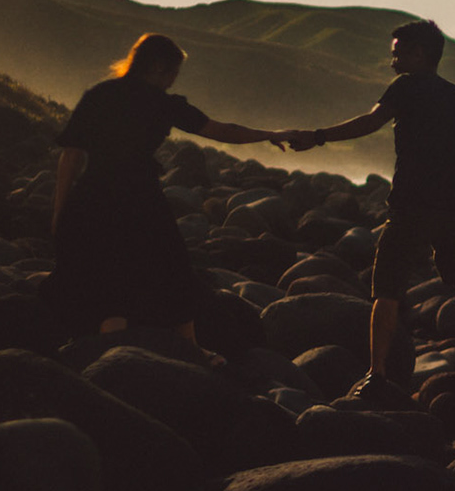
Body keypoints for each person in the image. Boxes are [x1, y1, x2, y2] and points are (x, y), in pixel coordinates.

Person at [277, 19, 455, 398]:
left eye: (398, 52)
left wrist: (317, 137)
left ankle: (377, 374)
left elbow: (369, 122)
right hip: (452, 209)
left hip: (411, 206)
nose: (393, 60)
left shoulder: (407, 87)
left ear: (420, 53)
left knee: (387, 289)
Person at [43, 33, 287, 364]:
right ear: (159, 67)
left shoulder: (99, 95)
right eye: (173, 73)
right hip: (139, 198)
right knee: (173, 269)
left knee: (104, 278)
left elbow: (70, 155)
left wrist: (60, 210)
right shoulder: (161, 102)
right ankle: (189, 348)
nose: (173, 82)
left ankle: (102, 356)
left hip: (92, 196)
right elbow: (221, 130)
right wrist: (270, 135)